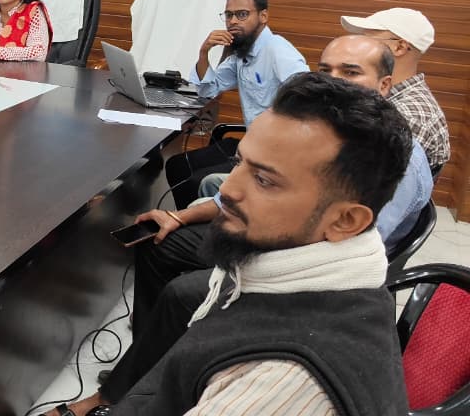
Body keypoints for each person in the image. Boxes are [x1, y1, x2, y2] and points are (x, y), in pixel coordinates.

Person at [57, 36, 431, 416]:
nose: (229, 190)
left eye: (264, 180)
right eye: (240, 163)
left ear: (346, 220)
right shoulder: (275, 260)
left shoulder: (285, 380)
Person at [165, 0, 308, 208]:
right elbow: (208, 90)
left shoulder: (277, 50)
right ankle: (189, 223)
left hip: (275, 153)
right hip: (250, 143)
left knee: (195, 180)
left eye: (242, 14)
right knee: (178, 165)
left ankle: (202, 221)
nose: (233, 21)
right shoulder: (242, 52)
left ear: (263, 16)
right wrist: (204, 52)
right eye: (229, 15)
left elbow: (306, 97)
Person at [341, 8, 450, 171]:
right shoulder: (383, 95)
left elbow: (368, 177)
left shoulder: (409, 116)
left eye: (368, 40)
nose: (358, 47)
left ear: (399, 47)